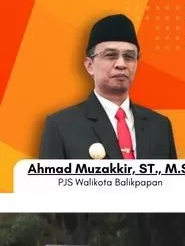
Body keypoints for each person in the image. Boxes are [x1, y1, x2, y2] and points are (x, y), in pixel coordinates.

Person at [39, 14, 177, 161]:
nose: (121, 64)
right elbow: (49, 184)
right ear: (90, 65)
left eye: (129, 56)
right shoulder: (62, 126)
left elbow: (173, 183)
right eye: (111, 55)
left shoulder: (160, 126)